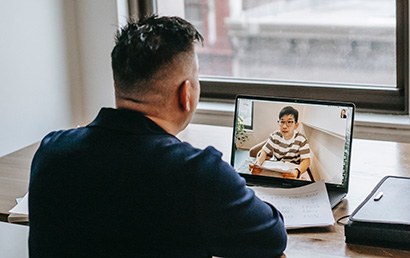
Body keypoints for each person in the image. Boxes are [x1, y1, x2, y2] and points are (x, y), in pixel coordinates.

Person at [28, 15, 287, 258]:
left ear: (117, 85)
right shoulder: (198, 173)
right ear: (185, 94)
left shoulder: (51, 151)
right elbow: (272, 237)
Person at [251, 106, 311, 180]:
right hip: (276, 166)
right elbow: (264, 151)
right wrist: (258, 164)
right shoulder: (275, 136)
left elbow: (306, 161)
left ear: (296, 125)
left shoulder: (301, 139)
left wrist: (298, 171)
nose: (284, 126)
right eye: (282, 122)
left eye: (289, 122)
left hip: (292, 168)